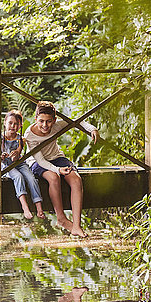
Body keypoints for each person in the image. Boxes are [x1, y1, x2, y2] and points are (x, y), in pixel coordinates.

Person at [24, 101, 99, 238]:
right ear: (36, 119)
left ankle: (76, 225)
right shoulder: (29, 134)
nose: (45, 125)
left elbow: (78, 121)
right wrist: (58, 170)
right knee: (54, 177)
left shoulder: (57, 125)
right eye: (41, 121)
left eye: (48, 121)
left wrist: (92, 129)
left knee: (76, 180)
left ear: (54, 120)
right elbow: (41, 160)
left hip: (56, 157)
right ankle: (61, 218)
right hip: (37, 161)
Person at [2, 110, 44, 220]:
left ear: (20, 125)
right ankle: (25, 207)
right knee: (18, 177)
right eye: (10, 123)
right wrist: (2, 156)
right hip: (6, 166)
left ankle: (39, 207)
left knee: (31, 178)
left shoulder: (20, 139)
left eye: (16, 124)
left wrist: (15, 154)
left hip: (19, 163)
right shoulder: (0, 138)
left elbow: (17, 155)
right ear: (5, 123)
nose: (13, 126)